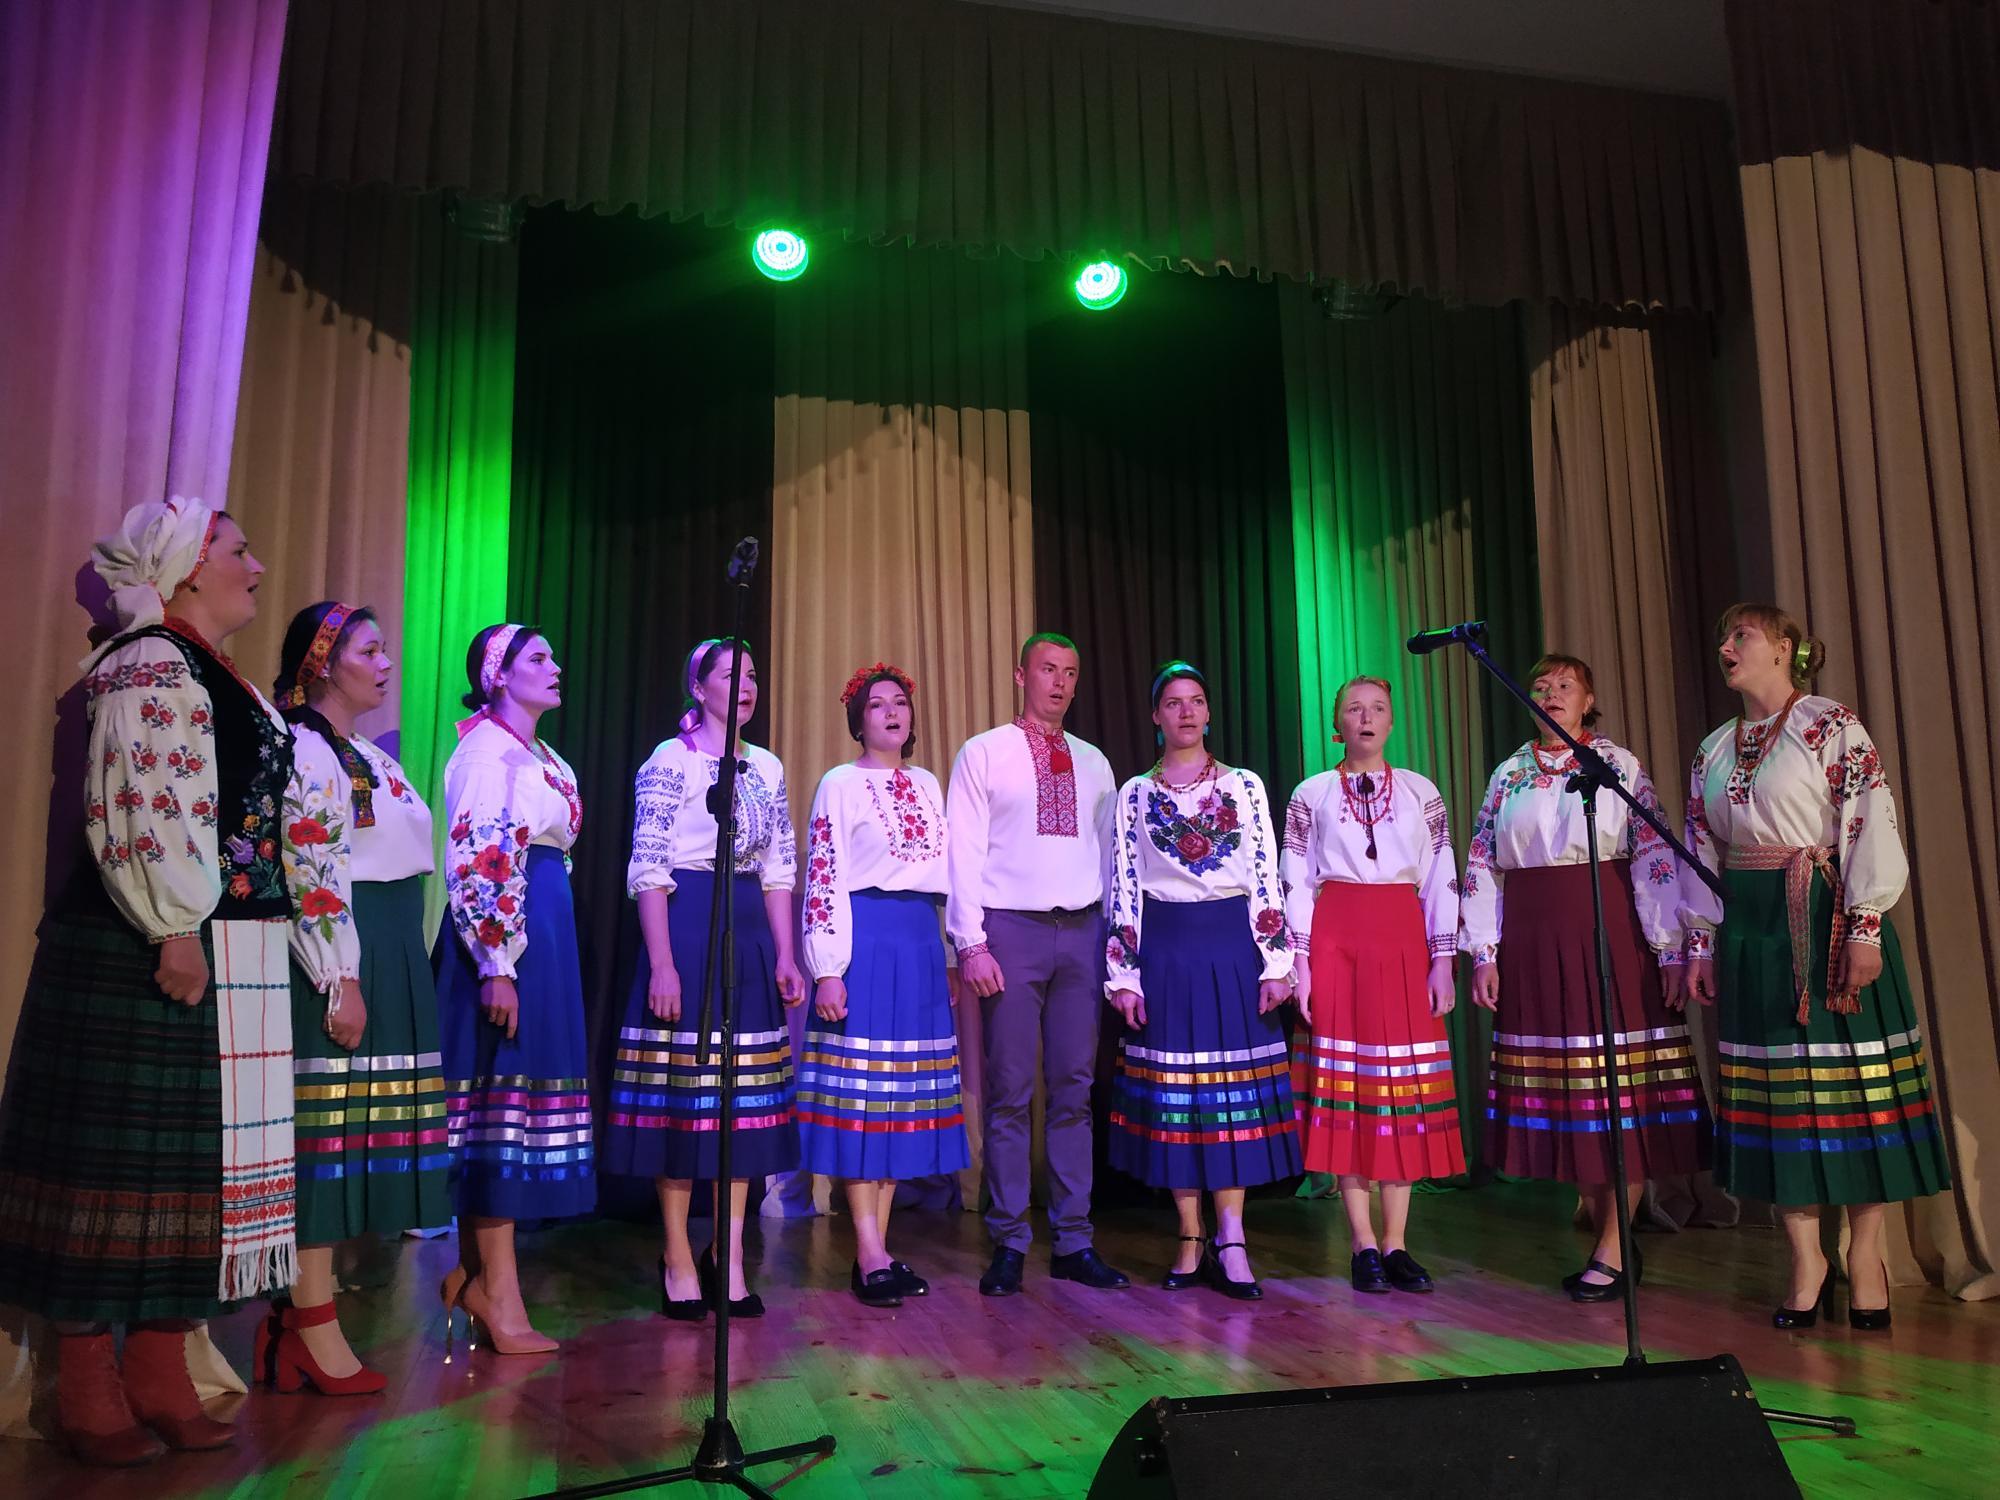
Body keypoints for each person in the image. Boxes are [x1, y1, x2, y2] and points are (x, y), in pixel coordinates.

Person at [0, 498, 293, 1464]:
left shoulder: (213, 672)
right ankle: (85, 1384)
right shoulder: (151, 662)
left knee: (190, 1172)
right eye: (240, 550)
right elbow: (144, 797)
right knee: (114, 1168)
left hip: (219, 941)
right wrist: (173, 926)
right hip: (143, 939)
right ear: (189, 568)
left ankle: (161, 1368)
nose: (257, 566)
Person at [1683, 604, 1949, 1331]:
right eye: (1723, 635)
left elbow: (1867, 819)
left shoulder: (1829, 725)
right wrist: (1700, 942)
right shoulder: (1713, 749)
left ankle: (1867, 1255)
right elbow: (1699, 847)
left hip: (1825, 913)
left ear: (1784, 648)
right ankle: (1807, 1260)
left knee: (1854, 1090)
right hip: (1752, 924)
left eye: (1741, 635)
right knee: (1779, 1097)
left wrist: (1864, 926)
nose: (1726, 645)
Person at [1460, 653, 1708, 1302]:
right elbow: (1482, 862)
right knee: (1574, 1101)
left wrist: (1670, 948)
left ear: (1588, 699)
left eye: (1565, 685)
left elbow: (1653, 857)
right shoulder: (1508, 774)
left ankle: (1613, 1247)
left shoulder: (1617, 766)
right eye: (1541, 686)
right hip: (1532, 940)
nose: (1551, 693)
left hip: (1606, 932)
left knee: (1614, 1096)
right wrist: (1484, 951)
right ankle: (1612, 1239)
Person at [267, 602, 449, 1393]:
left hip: (391, 942)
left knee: (356, 1136)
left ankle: (304, 1315)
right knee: (326, 1137)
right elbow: (311, 869)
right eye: (369, 651)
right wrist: (338, 975)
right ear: (322, 661)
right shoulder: (307, 750)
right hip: (346, 950)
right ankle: (308, 1321)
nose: (385, 663)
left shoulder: (370, 755)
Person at [603, 639, 804, 1320]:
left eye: (753, 674)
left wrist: (785, 954)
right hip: (689, 924)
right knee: (685, 1098)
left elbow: (779, 868)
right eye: (730, 674)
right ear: (699, 687)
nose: (746, 685)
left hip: (747, 927)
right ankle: (677, 1255)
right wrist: (662, 963)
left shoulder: (766, 766)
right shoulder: (672, 759)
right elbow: (649, 866)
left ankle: (731, 1253)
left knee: (742, 1104)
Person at [1104, 662, 1299, 1299]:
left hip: (1231, 946)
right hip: (1165, 948)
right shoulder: (1135, 794)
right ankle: (1190, 1235)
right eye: (1173, 703)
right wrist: (1124, 973)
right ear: (1156, 716)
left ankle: (1233, 1236)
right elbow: (1124, 882)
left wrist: (1277, 962)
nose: (1186, 712)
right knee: (1178, 1099)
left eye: (1195, 701)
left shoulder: (1244, 786)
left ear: (1209, 713)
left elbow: (1265, 873)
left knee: (1229, 1098)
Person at [947, 632, 1129, 1296]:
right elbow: (963, 850)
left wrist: (1114, 944)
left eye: (1070, 673)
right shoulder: (984, 752)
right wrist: (970, 942)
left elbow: (1110, 858)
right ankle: (1009, 1240)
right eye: (1048, 669)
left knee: (1074, 1089)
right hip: (1011, 931)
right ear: (1021, 675)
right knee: (1010, 1091)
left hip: (1080, 930)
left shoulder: (1095, 762)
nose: (1060, 682)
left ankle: (1074, 1238)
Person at [435, 623, 595, 1353]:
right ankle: (497, 1292)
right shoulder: (486, 753)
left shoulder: (541, 756)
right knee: (500, 1104)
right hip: (506, 939)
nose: (555, 665)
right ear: (498, 676)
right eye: (538, 657)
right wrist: (496, 963)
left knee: (513, 1105)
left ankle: (476, 1275)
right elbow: (478, 856)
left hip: (543, 929)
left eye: (554, 655)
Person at [1281, 676, 1464, 1294]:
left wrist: (1443, 959)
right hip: (1336, 940)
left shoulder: (1420, 792)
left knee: (1400, 1089)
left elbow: (1440, 877)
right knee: (1349, 1089)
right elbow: (1295, 881)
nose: (1366, 717)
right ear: (1337, 724)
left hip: (1402, 940)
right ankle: (1361, 1241)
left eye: (1377, 708)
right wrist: (1302, 963)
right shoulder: (1311, 794)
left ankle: (1397, 1243)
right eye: (1354, 709)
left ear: (1390, 722)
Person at [798, 663, 970, 1307]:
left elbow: (945, 877)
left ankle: (879, 1248)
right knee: (863, 1100)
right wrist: (828, 969)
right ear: (858, 720)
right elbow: (824, 875)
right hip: (864, 940)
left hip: (919, 942)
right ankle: (868, 1251)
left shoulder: (927, 783)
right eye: (878, 704)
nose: (893, 712)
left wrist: (949, 953)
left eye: (900, 702)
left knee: (899, 1101)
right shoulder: (839, 785)